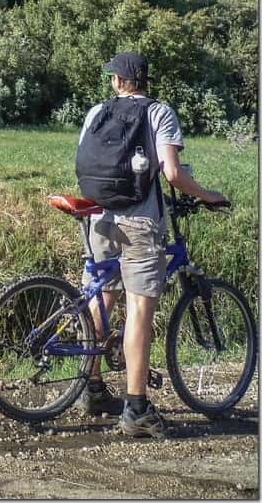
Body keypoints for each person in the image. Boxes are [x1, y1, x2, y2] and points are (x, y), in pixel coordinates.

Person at [75, 52, 227, 437]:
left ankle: (91, 389)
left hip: (97, 215)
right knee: (139, 308)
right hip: (139, 222)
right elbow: (172, 173)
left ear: (117, 82)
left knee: (101, 297)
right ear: (145, 81)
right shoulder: (159, 113)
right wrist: (207, 195)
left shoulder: (97, 112)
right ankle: (137, 408)